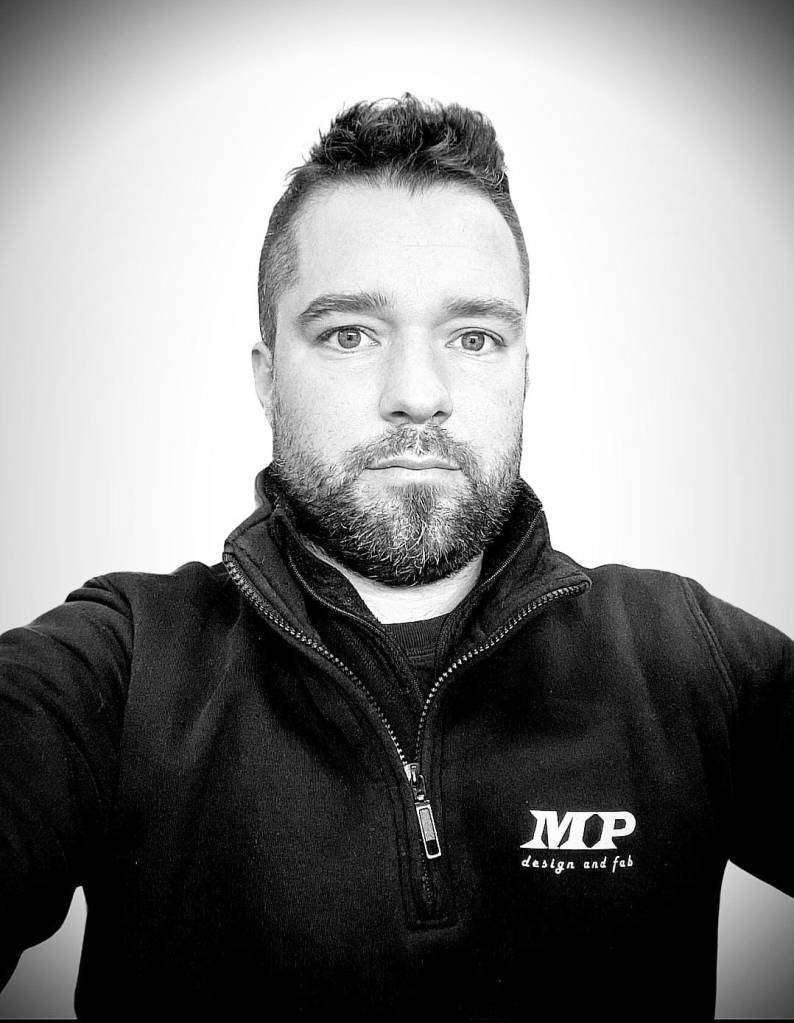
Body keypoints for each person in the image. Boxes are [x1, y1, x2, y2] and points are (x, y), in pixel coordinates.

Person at [0, 94, 791, 1021]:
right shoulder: (119, 663)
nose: (418, 393)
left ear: (523, 370)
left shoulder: (685, 656)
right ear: (267, 379)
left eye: (474, 337)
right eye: (350, 334)